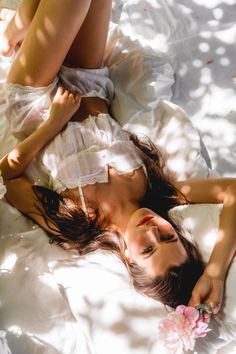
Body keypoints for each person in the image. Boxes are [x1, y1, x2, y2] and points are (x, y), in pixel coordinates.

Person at [0, 0, 236, 315]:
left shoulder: (77, 226)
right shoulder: (161, 193)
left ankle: (24, 24)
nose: (153, 229)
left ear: (128, 260)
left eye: (148, 248)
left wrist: (53, 123)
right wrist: (216, 272)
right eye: (168, 236)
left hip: (35, 100)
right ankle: (28, 18)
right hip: (89, 81)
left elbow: (8, 176)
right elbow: (233, 191)